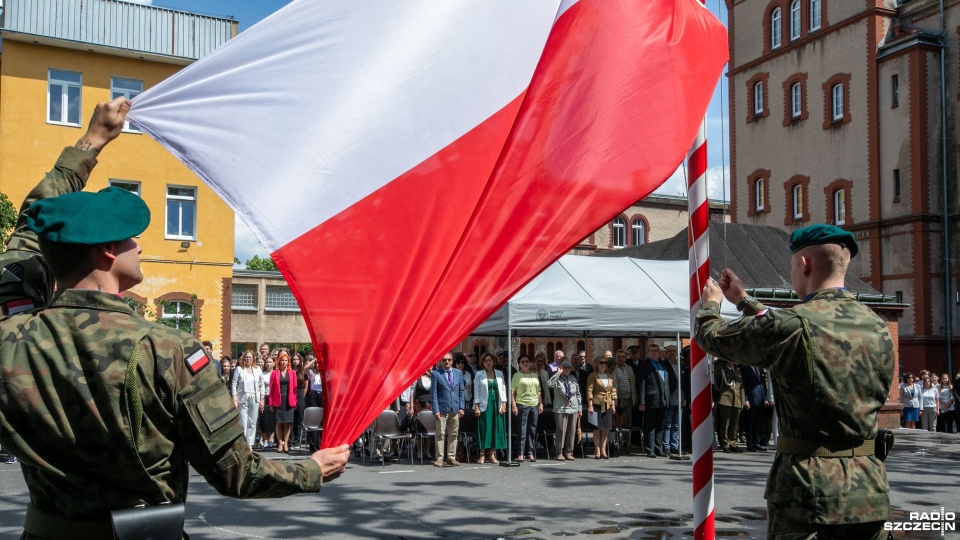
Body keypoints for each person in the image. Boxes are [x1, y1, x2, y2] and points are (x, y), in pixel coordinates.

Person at [0, 112, 350, 537]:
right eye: (131, 237)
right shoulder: (167, 349)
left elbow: (29, 230)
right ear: (108, 251)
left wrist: (89, 143)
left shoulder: (11, 338)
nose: (140, 245)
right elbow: (236, 473)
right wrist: (312, 469)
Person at [695, 223, 895, 539]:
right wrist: (745, 300)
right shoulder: (878, 327)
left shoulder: (792, 325)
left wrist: (711, 304)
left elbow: (711, 336)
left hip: (808, 492)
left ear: (804, 264)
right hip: (868, 490)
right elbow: (802, 332)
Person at [637, 344, 672, 458]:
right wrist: (641, 401)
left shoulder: (663, 364)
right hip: (651, 400)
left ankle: (658, 448)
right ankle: (650, 449)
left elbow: (667, 382)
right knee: (650, 426)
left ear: (659, 352)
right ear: (648, 352)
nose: (653, 353)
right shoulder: (644, 365)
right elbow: (641, 384)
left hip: (664, 400)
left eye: (655, 351)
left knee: (660, 425)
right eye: (651, 351)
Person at [430, 353, 465, 467]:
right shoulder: (436, 374)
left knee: (453, 434)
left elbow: (461, 391)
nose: (447, 362)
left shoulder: (458, 373)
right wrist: (435, 410)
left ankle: (451, 457)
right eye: (444, 360)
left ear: (452, 361)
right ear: (441, 361)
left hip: (454, 408)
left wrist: (461, 407)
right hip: (442, 408)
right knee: (440, 434)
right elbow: (433, 394)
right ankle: (439, 458)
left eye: (449, 360)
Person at [473, 352, 507, 464]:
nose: (488, 362)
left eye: (490, 360)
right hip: (484, 404)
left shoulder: (499, 373)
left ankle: (492, 454)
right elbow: (476, 391)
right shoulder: (479, 374)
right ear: (483, 363)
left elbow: (503, 389)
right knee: (484, 429)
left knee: (495, 429)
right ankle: (482, 455)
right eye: (486, 360)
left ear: (494, 361)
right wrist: (476, 406)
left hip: (496, 403)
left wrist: (504, 404)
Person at [511, 354, 543, 462]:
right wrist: (514, 405)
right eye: (523, 362)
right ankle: (520, 453)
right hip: (522, 405)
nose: (525, 363)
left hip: (534, 404)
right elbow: (512, 392)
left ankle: (530, 452)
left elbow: (538, 391)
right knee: (522, 429)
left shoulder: (534, 375)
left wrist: (541, 403)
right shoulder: (516, 375)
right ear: (519, 364)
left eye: (527, 361)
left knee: (532, 430)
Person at [549, 359, 581, 460]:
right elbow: (549, 384)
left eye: (568, 367)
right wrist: (558, 373)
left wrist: (579, 409)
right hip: (561, 408)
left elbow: (578, 394)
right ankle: (559, 452)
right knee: (561, 430)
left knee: (571, 430)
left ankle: (569, 452)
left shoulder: (573, 378)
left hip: (573, 407)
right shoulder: (557, 378)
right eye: (564, 367)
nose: (566, 369)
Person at [586, 355, 617, 459]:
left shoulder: (610, 376)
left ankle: (603, 450)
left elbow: (613, 391)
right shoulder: (593, 375)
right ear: (596, 364)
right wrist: (590, 405)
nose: (604, 364)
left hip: (607, 404)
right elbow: (589, 391)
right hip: (596, 403)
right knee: (596, 428)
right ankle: (597, 450)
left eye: (605, 363)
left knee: (605, 429)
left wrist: (613, 405)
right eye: (601, 362)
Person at [232, 350, 264, 447]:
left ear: (253, 358)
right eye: (246, 357)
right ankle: (244, 444)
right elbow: (234, 384)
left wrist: (262, 399)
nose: (248, 359)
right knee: (243, 421)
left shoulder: (258, 369)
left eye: (250, 357)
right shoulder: (239, 369)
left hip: (254, 397)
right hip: (242, 397)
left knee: (252, 421)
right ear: (244, 358)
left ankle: (250, 444)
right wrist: (234, 398)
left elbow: (261, 385)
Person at [269, 352, 298, 453]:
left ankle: (286, 444)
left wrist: (295, 402)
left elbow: (295, 389)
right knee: (278, 423)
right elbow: (271, 389)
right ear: (279, 361)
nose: (284, 362)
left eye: (286, 360)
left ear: (288, 362)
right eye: (282, 360)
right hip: (278, 401)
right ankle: (279, 444)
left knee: (287, 424)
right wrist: (271, 403)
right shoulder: (274, 373)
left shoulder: (292, 373)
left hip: (289, 401)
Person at [714, 359, 745, 453]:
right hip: (725, 399)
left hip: (737, 399)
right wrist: (721, 361)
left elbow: (741, 387)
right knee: (725, 423)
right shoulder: (721, 369)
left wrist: (743, 401)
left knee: (735, 423)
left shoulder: (737, 370)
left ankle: (733, 443)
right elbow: (716, 375)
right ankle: (725, 443)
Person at [258, 356, 277, 450]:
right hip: (264, 397)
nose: (268, 364)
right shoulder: (262, 374)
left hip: (274, 397)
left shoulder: (276, 373)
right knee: (264, 420)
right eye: (267, 362)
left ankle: (271, 440)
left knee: (272, 420)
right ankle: (264, 440)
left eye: (270, 362)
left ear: (274, 363)